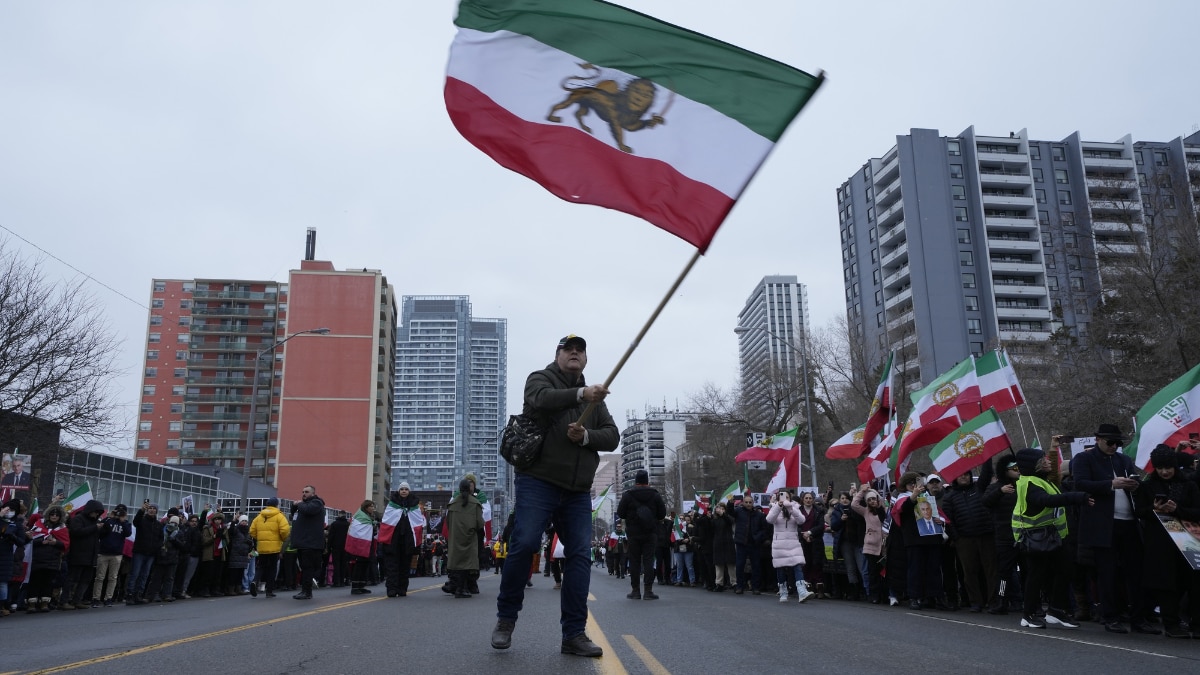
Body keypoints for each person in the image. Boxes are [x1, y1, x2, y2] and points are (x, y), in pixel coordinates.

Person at [492, 334, 618, 657]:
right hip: (539, 481)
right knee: (524, 543)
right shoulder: (540, 379)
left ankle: (573, 634)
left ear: (585, 360)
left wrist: (585, 436)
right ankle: (506, 618)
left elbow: (612, 436)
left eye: (580, 350)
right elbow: (542, 399)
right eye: (568, 349)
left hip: (577, 491)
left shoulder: (595, 401)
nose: (574, 353)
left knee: (580, 555)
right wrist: (581, 394)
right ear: (558, 355)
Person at [1072, 423, 1157, 634]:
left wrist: (1135, 485)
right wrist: (1111, 484)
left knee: (1135, 572)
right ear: (1098, 439)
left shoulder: (1123, 460)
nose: (1113, 446)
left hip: (1129, 522)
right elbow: (1080, 483)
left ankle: (1138, 618)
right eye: (1110, 442)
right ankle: (1110, 616)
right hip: (1104, 525)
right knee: (1107, 573)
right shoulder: (1084, 459)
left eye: (1117, 443)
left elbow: (1135, 481)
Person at [1012, 447, 1092, 630]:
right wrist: (1077, 497)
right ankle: (1028, 615)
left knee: (1066, 570)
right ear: (1035, 465)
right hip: (1034, 537)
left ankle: (1056, 610)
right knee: (1036, 575)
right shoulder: (1030, 483)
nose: (1048, 461)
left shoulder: (1041, 480)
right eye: (1044, 460)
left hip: (1052, 536)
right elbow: (1045, 500)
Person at [1133, 445, 1200, 638]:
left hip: (1188, 541)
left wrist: (1177, 510)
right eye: (1160, 468)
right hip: (1160, 543)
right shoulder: (1148, 486)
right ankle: (1171, 624)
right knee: (1167, 584)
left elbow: (1197, 511)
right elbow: (1140, 512)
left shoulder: (1188, 485)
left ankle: (1196, 623)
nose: (1164, 472)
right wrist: (1155, 510)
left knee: (1194, 583)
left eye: (1168, 467)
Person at [942, 471, 997, 613]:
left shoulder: (979, 488)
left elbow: (986, 473)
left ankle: (994, 601)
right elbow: (948, 521)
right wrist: (957, 538)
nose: (963, 476)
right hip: (965, 539)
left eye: (966, 474)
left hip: (986, 535)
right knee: (969, 572)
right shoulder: (949, 497)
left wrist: (986, 458)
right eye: (960, 474)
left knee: (991, 570)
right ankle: (975, 602)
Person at [616, 469, 666, 600]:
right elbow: (662, 514)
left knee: (634, 561)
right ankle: (648, 591)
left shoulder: (628, 495)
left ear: (636, 481)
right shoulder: (655, 495)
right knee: (648, 560)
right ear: (647, 481)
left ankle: (635, 591)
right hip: (650, 532)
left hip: (633, 533)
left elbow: (620, 513)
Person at [766, 489, 814, 603]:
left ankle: (802, 591)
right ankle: (783, 591)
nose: (785, 499)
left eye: (787, 497)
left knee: (798, 565)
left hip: (793, 543)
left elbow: (801, 520)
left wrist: (790, 508)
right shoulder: (774, 507)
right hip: (779, 544)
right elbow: (769, 520)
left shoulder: (795, 507)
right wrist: (778, 506)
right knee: (781, 568)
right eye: (782, 497)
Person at [62, 499, 105, 610]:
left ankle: (77, 600)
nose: (96, 514)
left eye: (98, 513)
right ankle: (64, 601)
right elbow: (76, 532)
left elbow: (100, 536)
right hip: (78, 554)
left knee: (85, 580)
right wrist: (95, 528)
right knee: (72, 579)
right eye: (95, 512)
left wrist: (105, 528)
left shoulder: (95, 522)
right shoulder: (78, 519)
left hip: (91, 556)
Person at [27, 505, 70, 612]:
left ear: (60, 516)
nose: (54, 516)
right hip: (37, 558)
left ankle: (44, 603)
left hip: (53, 560)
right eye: (52, 514)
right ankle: (32, 604)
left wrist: (55, 542)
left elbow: (65, 544)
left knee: (48, 582)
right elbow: (30, 541)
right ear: (48, 515)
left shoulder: (62, 529)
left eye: (57, 515)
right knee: (35, 581)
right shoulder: (39, 525)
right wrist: (42, 541)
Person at [446, 478, 484, 598]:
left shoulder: (452, 504)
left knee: (457, 563)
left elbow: (448, 522)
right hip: (469, 538)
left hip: (456, 538)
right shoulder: (475, 504)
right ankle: (462, 588)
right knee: (467, 564)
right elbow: (480, 524)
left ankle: (458, 587)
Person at [385, 482, 421, 597]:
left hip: (407, 541)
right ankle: (391, 588)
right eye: (402, 489)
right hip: (393, 541)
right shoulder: (392, 505)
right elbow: (386, 522)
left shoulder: (414, 506)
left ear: (409, 491)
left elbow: (418, 523)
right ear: (398, 491)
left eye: (406, 489)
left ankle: (402, 588)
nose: (404, 491)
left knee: (405, 566)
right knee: (392, 566)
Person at [250, 497, 291, 598]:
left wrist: (260, 538)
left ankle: (255, 581)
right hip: (274, 547)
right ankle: (269, 591)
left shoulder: (259, 516)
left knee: (260, 566)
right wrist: (282, 538)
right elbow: (285, 530)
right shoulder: (279, 516)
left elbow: (252, 531)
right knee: (272, 569)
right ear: (276, 505)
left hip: (262, 547)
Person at [291, 485, 326, 600]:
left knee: (307, 568)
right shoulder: (304, 505)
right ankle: (305, 590)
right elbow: (293, 515)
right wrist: (294, 506)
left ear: (313, 493)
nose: (304, 494)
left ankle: (307, 591)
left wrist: (299, 504)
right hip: (303, 542)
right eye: (303, 492)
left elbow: (308, 510)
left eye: (306, 492)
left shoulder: (316, 503)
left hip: (310, 543)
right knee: (304, 567)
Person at [127, 502, 163, 605]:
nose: (152, 510)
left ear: (156, 511)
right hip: (139, 552)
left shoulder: (158, 524)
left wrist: (156, 548)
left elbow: (161, 539)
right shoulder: (142, 521)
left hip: (151, 554)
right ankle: (129, 595)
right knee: (135, 574)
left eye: (154, 508)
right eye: (150, 508)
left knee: (144, 575)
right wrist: (141, 510)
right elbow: (135, 521)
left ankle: (138, 595)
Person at [0, 499, 29, 615]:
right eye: (7, 509)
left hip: (5, 556)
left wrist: (12, 536)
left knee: (2, 583)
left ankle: (2, 606)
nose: (9, 512)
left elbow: (22, 541)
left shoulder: (16, 524)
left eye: (12, 510)